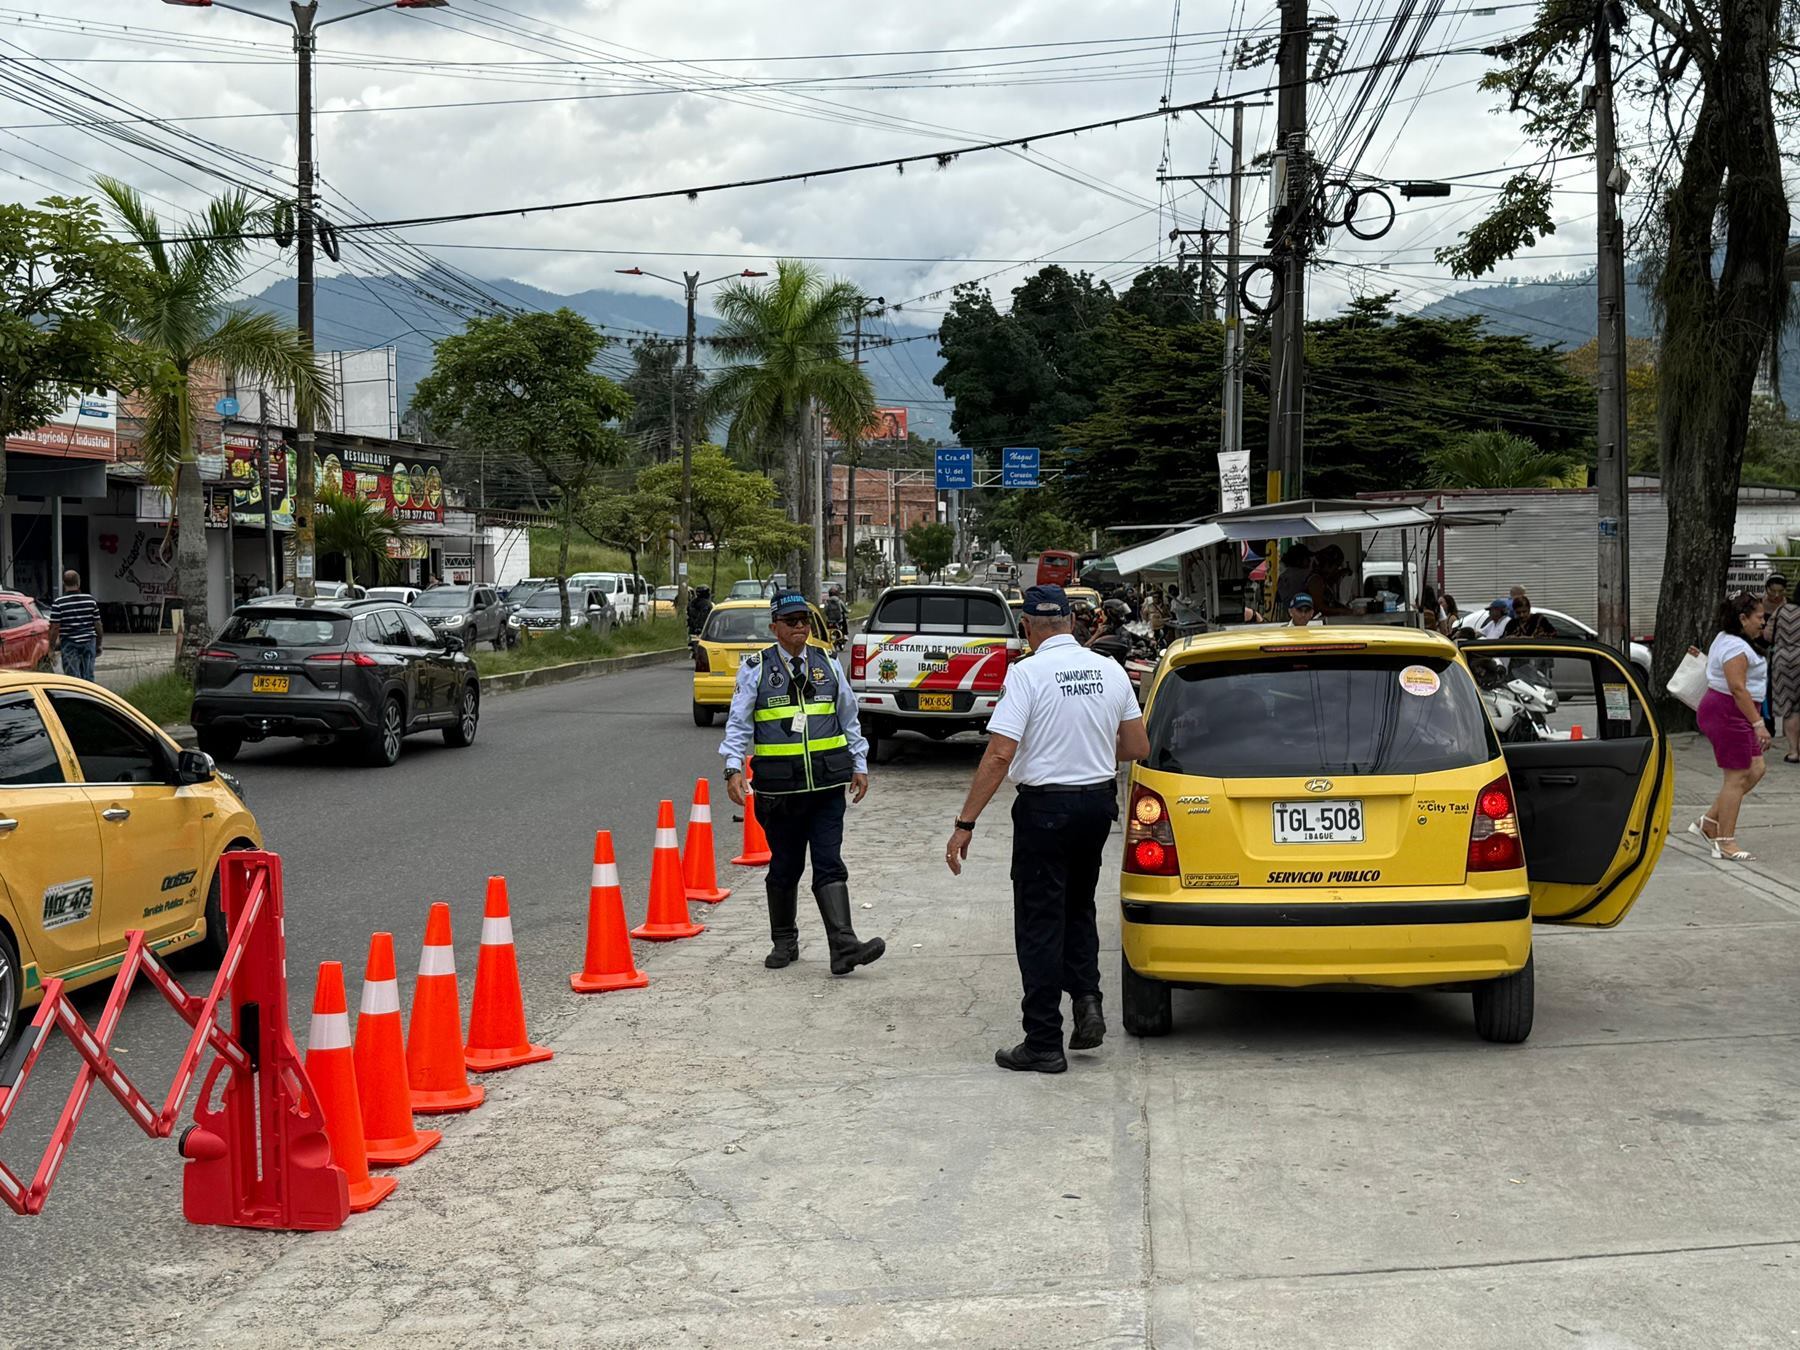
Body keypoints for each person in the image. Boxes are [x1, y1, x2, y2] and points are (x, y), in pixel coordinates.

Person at [943, 584, 1149, 1073]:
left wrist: (964, 823)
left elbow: (998, 754)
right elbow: (1136, 745)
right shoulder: (1109, 669)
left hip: (1045, 811)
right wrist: (1088, 751)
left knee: (1039, 921)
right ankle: (1088, 1003)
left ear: (1029, 627)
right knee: (1077, 907)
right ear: (1072, 623)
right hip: (1097, 806)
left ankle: (1042, 1040)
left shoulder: (1027, 674)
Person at [719, 591, 885, 975]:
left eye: (805, 620)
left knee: (829, 863)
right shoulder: (756, 668)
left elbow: (849, 717)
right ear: (774, 626)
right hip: (779, 793)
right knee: (785, 867)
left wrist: (859, 763)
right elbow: (739, 723)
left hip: (827, 788)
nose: (799, 627)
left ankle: (844, 947)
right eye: (791, 621)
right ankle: (784, 940)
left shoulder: (827, 662)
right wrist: (732, 767)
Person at [1693, 592, 1771, 862]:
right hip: (1729, 712)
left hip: (1736, 712)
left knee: (1756, 769)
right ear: (1742, 618)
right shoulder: (1735, 648)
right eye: (1760, 617)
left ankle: (1710, 821)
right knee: (1736, 778)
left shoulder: (1731, 640)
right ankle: (1725, 841)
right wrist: (1758, 724)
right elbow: (1738, 689)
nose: (1763, 622)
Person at [1763, 572, 1800, 762]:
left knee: (1789, 708)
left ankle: (1794, 751)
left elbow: (1767, 634)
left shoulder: (1783, 610)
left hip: (1783, 661)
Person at [47, 570, 102, 682]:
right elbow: (98, 624)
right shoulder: (90, 600)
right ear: (78, 582)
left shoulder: (58, 603)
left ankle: (77, 697)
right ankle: (90, 696)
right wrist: (99, 643)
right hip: (89, 641)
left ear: (64, 584)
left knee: (73, 678)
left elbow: (54, 628)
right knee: (88, 675)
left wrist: (51, 649)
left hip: (69, 643)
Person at [1087, 598, 1132, 667]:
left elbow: (1127, 634)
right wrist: (1097, 634)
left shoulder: (1117, 627)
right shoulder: (1104, 629)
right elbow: (1086, 648)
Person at [1274, 543, 1312, 617]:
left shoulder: (1282, 576)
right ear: (1300, 559)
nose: (1309, 561)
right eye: (1307, 558)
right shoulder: (1305, 574)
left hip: (1286, 615)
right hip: (1303, 615)